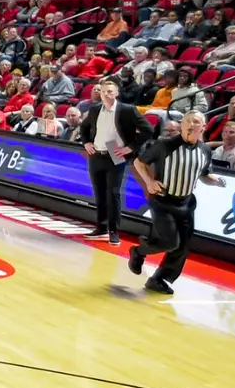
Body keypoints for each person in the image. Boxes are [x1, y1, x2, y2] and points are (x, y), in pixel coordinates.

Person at [129, 110, 220, 295]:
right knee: (170, 242)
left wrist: (215, 180)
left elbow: (204, 174)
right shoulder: (165, 145)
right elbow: (139, 162)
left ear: (203, 126)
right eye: (187, 121)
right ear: (182, 125)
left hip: (186, 202)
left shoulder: (205, 150)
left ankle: (159, 279)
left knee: (183, 246)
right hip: (163, 200)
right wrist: (149, 181)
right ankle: (139, 251)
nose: (191, 124)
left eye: (196, 122)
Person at [79, 78, 152, 245]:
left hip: (115, 151)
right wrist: (86, 142)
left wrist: (131, 147)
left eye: (110, 91)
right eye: (103, 91)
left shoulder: (127, 110)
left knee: (113, 193)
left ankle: (114, 231)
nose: (106, 94)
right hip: (97, 153)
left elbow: (148, 129)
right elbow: (84, 128)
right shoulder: (95, 109)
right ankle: (101, 227)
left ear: (117, 93)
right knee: (99, 193)